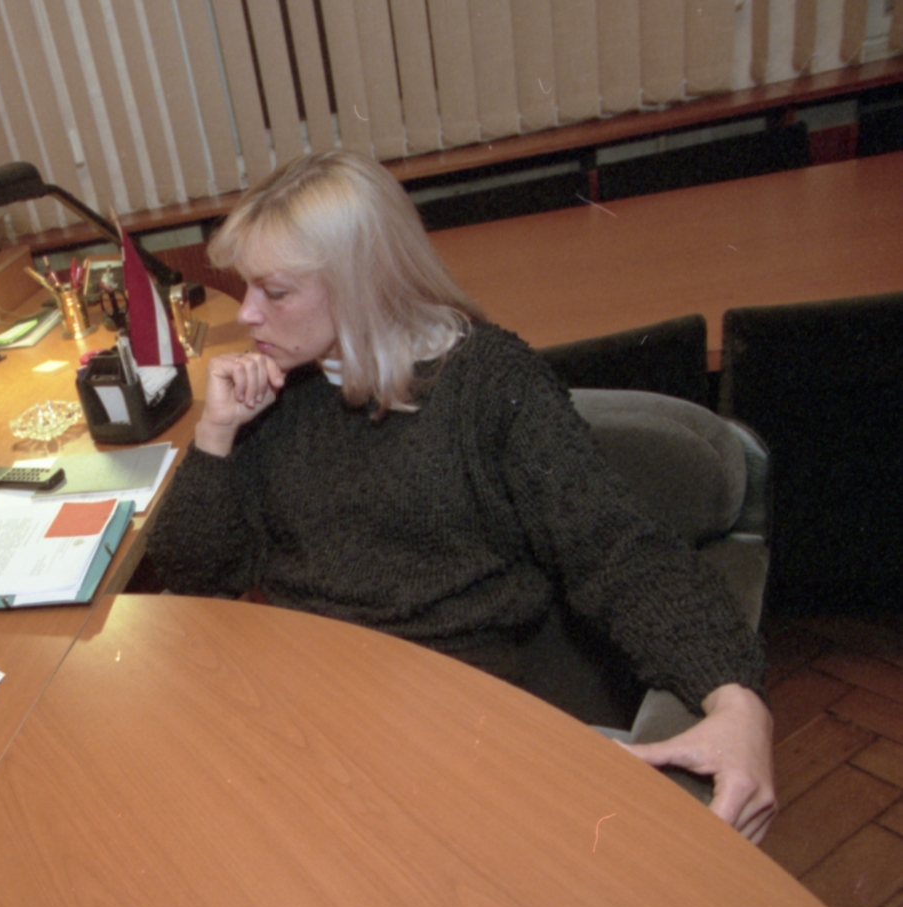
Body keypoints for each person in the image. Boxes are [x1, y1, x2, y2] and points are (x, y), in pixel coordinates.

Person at [145, 150, 776, 842]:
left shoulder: (488, 384)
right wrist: (216, 435)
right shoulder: (277, 387)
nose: (247, 314)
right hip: (301, 701)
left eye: (275, 292)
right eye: (247, 288)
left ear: (360, 285)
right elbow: (194, 573)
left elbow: (616, 549)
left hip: (444, 720)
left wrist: (734, 698)